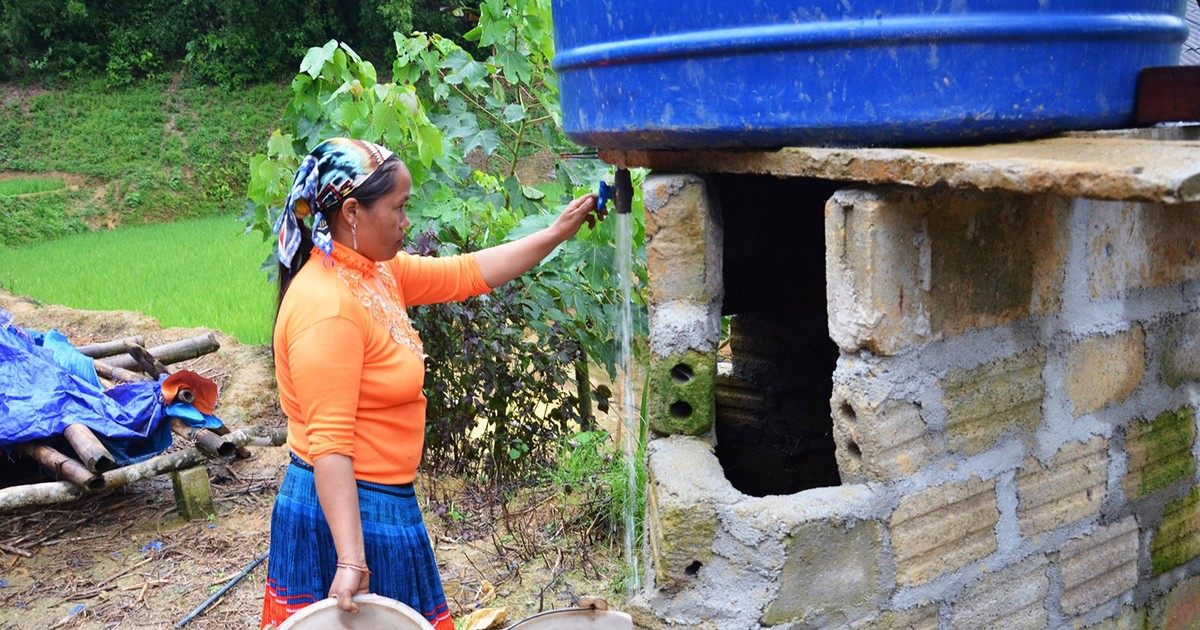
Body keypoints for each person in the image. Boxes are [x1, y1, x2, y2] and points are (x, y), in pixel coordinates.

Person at [259, 138, 601, 629]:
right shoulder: (327, 306)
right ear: (352, 212)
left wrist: (554, 234)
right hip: (345, 514)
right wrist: (352, 560)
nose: (407, 222)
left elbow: (466, 274)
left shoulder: (374, 273)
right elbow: (330, 445)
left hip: (382, 504)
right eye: (398, 208)